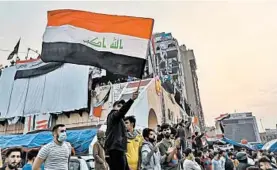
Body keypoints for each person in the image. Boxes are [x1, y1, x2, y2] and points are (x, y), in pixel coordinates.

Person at [105, 91, 138, 170]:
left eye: (122, 106)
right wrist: (131, 100)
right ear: (113, 107)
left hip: (119, 150)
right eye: (119, 106)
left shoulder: (120, 121)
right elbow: (121, 112)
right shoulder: (113, 115)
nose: (120, 108)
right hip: (115, 149)